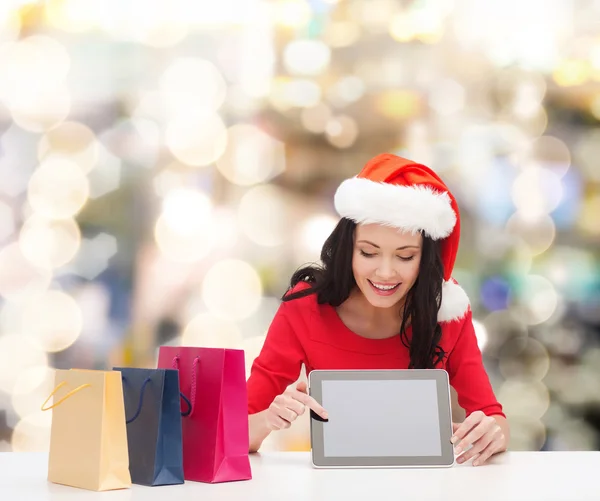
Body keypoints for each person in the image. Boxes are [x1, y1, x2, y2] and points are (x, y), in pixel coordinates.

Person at [246, 153, 509, 466]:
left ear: (425, 260)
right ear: (348, 248)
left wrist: (492, 434)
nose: (385, 273)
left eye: (405, 256)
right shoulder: (305, 306)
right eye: (368, 252)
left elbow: (494, 417)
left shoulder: (447, 314)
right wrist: (268, 420)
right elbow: (236, 430)